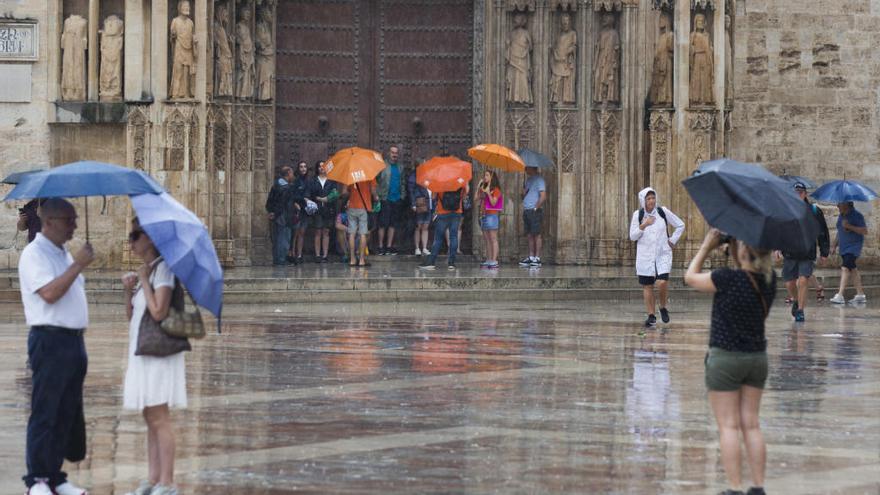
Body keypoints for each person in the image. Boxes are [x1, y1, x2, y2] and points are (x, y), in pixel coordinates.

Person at [685, 229, 775, 495]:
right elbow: (750, 274)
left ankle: (735, 488)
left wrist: (706, 246)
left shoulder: (726, 279)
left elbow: (689, 277)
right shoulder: (769, 282)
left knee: (729, 426)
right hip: (757, 358)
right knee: (752, 423)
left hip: (725, 357)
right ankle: (758, 487)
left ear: (743, 251)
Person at [19, 198, 95, 495]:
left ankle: (55, 477)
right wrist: (78, 264)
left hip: (73, 341)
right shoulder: (33, 254)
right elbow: (49, 293)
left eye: (75, 219)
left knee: (67, 411)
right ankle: (37, 479)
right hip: (49, 340)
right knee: (46, 411)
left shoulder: (61, 253)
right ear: (49, 222)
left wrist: (73, 262)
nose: (74, 225)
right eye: (69, 220)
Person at [121, 219, 186, 495]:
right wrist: (129, 290)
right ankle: (153, 477)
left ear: (151, 238)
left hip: (159, 353)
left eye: (136, 235)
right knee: (149, 415)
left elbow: (158, 311)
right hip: (142, 350)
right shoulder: (149, 270)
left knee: (160, 416)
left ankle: (168, 482)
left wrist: (145, 281)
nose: (131, 241)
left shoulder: (165, 270)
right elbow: (134, 315)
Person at [629, 187, 685, 327]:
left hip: (662, 253)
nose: (651, 201)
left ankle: (663, 306)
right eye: (648, 199)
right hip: (645, 255)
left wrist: (672, 240)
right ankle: (651, 316)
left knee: (662, 282)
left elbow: (680, 225)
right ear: (643, 201)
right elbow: (632, 236)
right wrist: (644, 225)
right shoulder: (638, 214)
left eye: (653, 198)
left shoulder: (662, 212)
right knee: (647, 285)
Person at [780, 182, 829, 321]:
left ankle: (800, 310)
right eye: (795, 192)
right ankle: (796, 300)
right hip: (790, 252)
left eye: (800, 192)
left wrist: (824, 252)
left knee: (803, 280)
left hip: (807, 252)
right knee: (789, 283)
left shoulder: (814, 211)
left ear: (805, 194)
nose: (798, 195)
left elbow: (823, 233)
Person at [419, 183, 469, 271]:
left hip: (442, 213)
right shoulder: (460, 181)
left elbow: (433, 196)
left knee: (438, 238)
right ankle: (451, 263)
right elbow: (464, 196)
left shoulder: (440, 180)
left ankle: (431, 262)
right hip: (457, 212)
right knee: (453, 236)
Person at [830, 201, 868, 304]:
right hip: (844, 248)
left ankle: (840, 295)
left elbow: (864, 231)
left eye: (840, 204)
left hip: (853, 247)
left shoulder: (857, 215)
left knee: (845, 268)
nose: (837, 206)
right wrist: (834, 245)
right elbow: (839, 231)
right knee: (853, 269)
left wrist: (850, 227)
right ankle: (860, 294)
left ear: (847, 205)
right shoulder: (841, 216)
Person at [376, 145, 406, 255]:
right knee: (382, 224)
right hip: (385, 198)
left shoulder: (400, 167)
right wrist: (377, 195)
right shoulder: (382, 165)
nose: (394, 155)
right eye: (393, 152)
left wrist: (402, 195)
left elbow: (403, 182)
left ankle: (388, 247)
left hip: (396, 199)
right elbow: (376, 181)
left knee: (393, 224)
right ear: (389, 153)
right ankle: (380, 247)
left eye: (396, 153)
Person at [309, 160, 339, 263]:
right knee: (318, 232)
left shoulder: (332, 180)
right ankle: (317, 255)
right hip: (317, 210)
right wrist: (316, 200)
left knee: (326, 232)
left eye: (324, 166)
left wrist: (325, 199)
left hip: (328, 209)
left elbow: (335, 194)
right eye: (320, 166)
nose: (322, 168)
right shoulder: (313, 181)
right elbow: (311, 194)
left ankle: (325, 255)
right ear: (317, 168)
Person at [344, 180, 378, 267]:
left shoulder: (350, 174)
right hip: (364, 206)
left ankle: (352, 259)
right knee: (363, 233)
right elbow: (373, 191)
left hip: (352, 206)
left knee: (351, 233)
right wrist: (376, 198)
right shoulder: (369, 175)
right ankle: (361, 260)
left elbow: (345, 192)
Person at [265, 166, 294, 266]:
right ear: (288, 173)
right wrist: (276, 213)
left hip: (277, 216)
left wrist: (271, 212)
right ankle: (281, 260)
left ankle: (277, 260)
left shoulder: (276, 185)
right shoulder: (286, 188)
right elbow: (282, 204)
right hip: (283, 216)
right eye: (292, 174)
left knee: (277, 238)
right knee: (284, 239)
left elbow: (269, 202)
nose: (293, 176)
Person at [518, 166, 546, 267]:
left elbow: (543, 196)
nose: (525, 169)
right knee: (529, 234)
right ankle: (531, 257)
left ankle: (537, 258)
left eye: (527, 167)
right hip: (527, 210)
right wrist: (523, 193)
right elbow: (523, 196)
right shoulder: (528, 180)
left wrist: (536, 207)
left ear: (533, 168)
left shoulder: (540, 180)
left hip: (534, 210)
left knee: (537, 234)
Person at [477, 170, 503, 268]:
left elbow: (493, 203)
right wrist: (478, 188)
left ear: (492, 178)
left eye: (487, 175)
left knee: (493, 238)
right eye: (484, 175)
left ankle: (494, 260)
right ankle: (488, 259)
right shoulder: (485, 188)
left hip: (492, 215)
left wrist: (488, 193)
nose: (485, 177)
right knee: (487, 239)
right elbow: (477, 199)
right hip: (484, 215)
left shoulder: (496, 190)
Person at [408, 163, 432, 256]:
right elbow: (411, 191)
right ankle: (417, 248)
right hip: (420, 203)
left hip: (428, 203)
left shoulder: (428, 175)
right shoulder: (414, 176)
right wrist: (413, 203)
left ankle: (425, 248)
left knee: (426, 226)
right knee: (418, 226)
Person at [288, 161, 310, 264]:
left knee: (302, 232)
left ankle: (300, 254)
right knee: (295, 233)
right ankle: (292, 253)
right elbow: (292, 195)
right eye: (301, 167)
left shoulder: (308, 181)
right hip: (297, 210)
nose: (303, 169)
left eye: (305, 167)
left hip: (305, 210)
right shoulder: (295, 181)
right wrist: (298, 201)